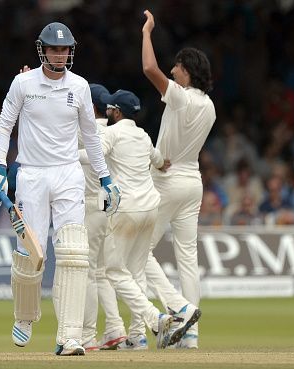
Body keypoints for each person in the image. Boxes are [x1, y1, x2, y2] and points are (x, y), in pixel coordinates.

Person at [0, 22, 121, 356]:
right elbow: (3, 124)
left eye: (64, 49)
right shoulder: (23, 82)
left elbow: (90, 135)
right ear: (42, 50)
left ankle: (69, 335)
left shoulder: (81, 86)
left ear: (70, 51)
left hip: (69, 174)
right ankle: (26, 315)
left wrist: (105, 178)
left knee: (74, 253)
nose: (59, 54)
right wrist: (0, 167)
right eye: (53, 49)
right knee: (31, 251)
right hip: (31, 174)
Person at [80, 89, 200, 349]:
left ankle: (155, 319)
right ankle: (138, 335)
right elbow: (159, 160)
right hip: (151, 208)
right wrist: (161, 164)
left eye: (111, 110)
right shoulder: (143, 135)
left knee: (114, 271)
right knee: (137, 270)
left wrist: (64, 156)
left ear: (116, 112)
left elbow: (93, 157)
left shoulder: (112, 133)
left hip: (127, 210)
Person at [142, 9, 216, 349]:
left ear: (187, 72)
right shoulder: (210, 106)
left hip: (166, 180)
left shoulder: (181, 96)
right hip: (192, 182)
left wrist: (147, 32)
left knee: (139, 251)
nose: (173, 71)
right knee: (188, 258)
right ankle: (193, 335)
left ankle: (175, 311)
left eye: (177, 67)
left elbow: (148, 69)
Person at [81, 83, 128, 351]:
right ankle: (114, 328)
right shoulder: (111, 132)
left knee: (88, 272)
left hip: (89, 207)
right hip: (108, 207)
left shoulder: (84, 132)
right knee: (100, 273)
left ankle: (87, 337)